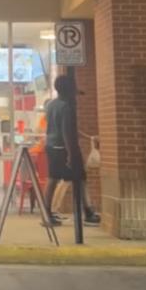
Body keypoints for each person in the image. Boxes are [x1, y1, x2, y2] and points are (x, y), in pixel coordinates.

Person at [43, 75, 100, 227]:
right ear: (68, 90)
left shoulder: (51, 105)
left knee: (53, 179)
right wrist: (71, 153)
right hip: (64, 147)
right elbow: (67, 131)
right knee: (80, 178)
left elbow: (61, 128)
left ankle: (46, 212)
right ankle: (88, 211)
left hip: (51, 146)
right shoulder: (66, 107)